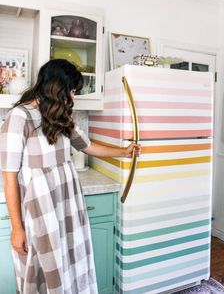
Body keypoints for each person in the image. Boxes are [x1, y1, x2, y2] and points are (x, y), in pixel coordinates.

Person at [0, 59, 141, 294]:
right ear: (58, 88)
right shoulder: (19, 117)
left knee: (69, 263)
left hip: (67, 204)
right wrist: (17, 227)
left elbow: (87, 146)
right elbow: (9, 174)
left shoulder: (60, 117)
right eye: (72, 90)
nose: (73, 97)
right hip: (40, 210)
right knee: (43, 268)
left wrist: (124, 151)